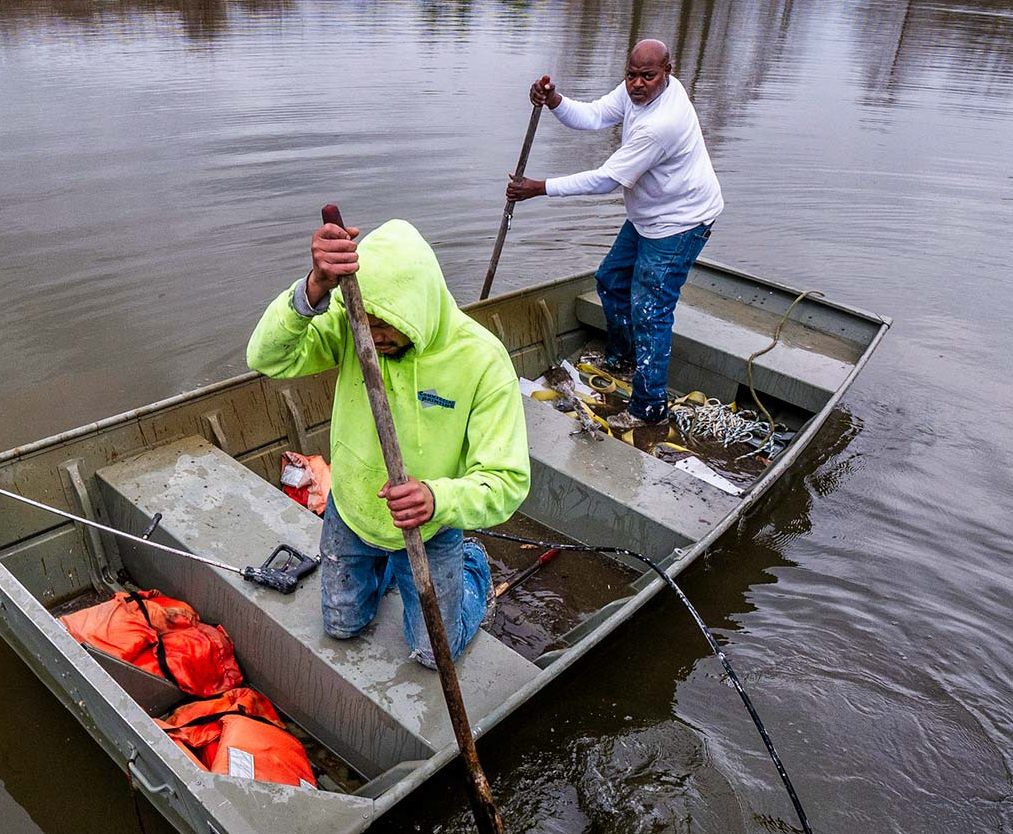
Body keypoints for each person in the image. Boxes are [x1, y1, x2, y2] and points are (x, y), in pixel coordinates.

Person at [246, 216, 529, 669]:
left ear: (415, 309)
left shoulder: (483, 360)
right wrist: (314, 288)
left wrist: (436, 499)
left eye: (384, 325)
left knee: (435, 652)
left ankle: (472, 566)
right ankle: (384, 568)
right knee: (341, 626)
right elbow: (266, 357)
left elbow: (507, 481)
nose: (371, 338)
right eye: (365, 323)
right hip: (353, 509)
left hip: (429, 525)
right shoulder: (351, 324)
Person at [507, 38, 723, 424]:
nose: (637, 84)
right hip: (650, 214)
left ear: (667, 74)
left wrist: (540, 188)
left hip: (681, 222)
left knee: (651, 310)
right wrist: (555, 100)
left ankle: (649, 408)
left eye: (648, 76)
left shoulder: (661, 124)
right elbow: (591, 116)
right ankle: (623, 359)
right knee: (610, 280)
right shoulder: (635, 95)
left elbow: (607, 179)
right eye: (631, 75)